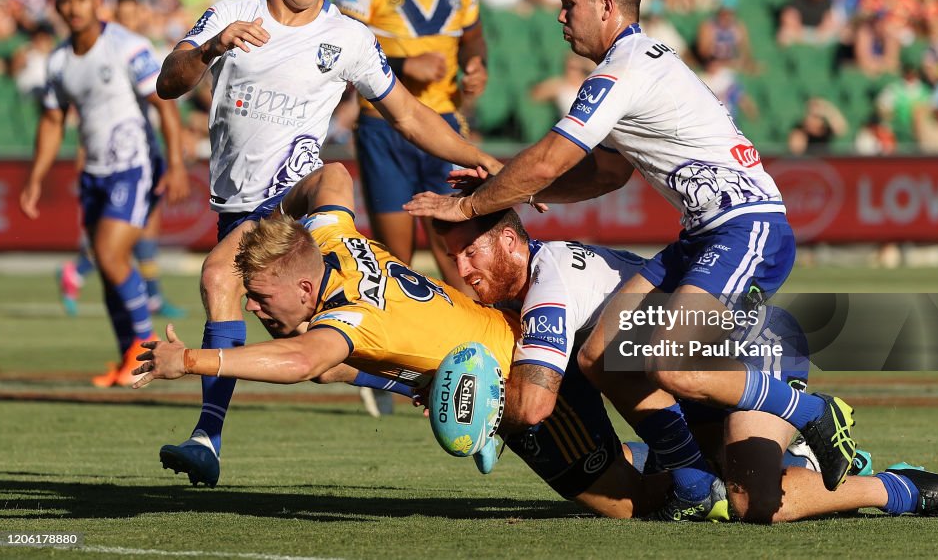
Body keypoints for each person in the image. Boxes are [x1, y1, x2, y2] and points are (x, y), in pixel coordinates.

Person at [405, 0, 859, 521]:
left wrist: (473, 201)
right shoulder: (632, 66)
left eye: (569, 5)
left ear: (605, 4)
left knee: (672, 366)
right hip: (703, 234)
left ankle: (815, 413)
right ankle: (693, 481)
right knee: (600, 355)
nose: (561, 17)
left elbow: (548, 162)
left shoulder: (623, 69)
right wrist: (510, 185)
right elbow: (605, 174)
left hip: (747, 227)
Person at [153, 0, 501, 487]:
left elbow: (410, 116)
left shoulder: (349, 38)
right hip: (238, 206)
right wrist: (212, 49)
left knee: (219, 275)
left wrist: (479, 156)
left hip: (292, 198)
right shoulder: (230, 14)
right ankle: (443, 387)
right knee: (319, 362)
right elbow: (169, 81)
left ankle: (207, 437)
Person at [133, 163, 677, 520]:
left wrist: (189, 360)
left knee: (632, 505)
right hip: (502, 348)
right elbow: (333, 177)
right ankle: (677, 458)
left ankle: (712, 479)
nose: (252, 307)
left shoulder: (351, 316)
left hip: (516, 375)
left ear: (304, 286)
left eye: (260, 296)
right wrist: (276, 223)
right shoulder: (330, 239)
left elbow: (302, 360)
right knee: (614, 468)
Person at [433, 208, 938, 522]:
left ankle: (902, 487)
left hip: (753, 350)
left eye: (471, 252)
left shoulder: (548, 283)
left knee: (755, 503)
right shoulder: (532, 291)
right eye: (454, 258)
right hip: (689, 384)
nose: (461, 269)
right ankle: (718, 466)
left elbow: (533, 404)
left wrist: (482, 412)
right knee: (621, 417)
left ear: (510, 241)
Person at [333, 0, 488, 414]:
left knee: (460, 259)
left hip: (442, 129)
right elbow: (340, 48)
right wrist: (402, 67)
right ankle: (380, 368)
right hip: (384, 131)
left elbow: (474, 35)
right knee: (395, 260)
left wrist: (476, 64)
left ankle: (475, 366)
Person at [19, 0, 188, 387]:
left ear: (98, 1)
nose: (74, 8)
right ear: (57, 6)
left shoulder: (128, 47)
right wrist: (37, 177)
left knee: (111, 256)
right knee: (110, 269)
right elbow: (53, 121)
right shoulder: (58, 61)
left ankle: (145, 344)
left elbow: (165, 104)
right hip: (94, 173)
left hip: (134, 167)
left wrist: (177, 163)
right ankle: (126, 361)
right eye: (66, 1)